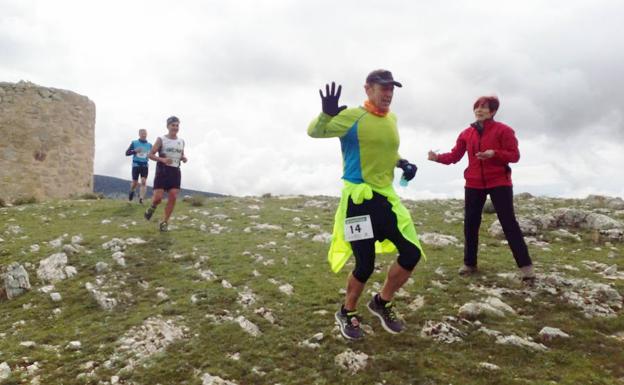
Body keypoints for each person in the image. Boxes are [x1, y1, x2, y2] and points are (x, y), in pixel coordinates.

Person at [307, 70, 425, 340]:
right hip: (358, 202)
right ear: (368, 88)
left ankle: (382, 302)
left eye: (392, 89)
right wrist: (326, 114)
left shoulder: (391, 119)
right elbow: (315, 131)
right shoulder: (351, 117)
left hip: (385, 199)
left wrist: (402, 162)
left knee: (411, 253)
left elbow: (387, 150)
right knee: (365, 264)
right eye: (383, 88)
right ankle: (346, 312)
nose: (388, 93)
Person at [427, 96, 535, 282]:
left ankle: (526, 268)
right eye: (477, 107)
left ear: (492, 111)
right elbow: (454, 156)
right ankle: (470, 264)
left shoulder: (504, 131)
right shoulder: (466, 133)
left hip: (499, 182)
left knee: (509, 224)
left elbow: (515, 156)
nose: (479, 110)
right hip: (473, 183)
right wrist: (437, 158)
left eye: (484, 108)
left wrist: (494, 154)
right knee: (470, 224)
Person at [144, 116, 187, 231]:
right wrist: (162, 160)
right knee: (158, 198)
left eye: (177, 125)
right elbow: (150, 155)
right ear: (168, 126)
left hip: (175, 172)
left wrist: (183, 158)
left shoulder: (181, 141)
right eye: (173, 125)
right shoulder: (161, 139)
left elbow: (180, 154)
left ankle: (165, 222)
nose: (175, 128)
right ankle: (152, 207)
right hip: (162, 171)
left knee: (173, 196)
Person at [125, 129, 152, 204]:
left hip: (145, 165)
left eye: (145, 133)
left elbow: (152, 154)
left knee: (143, 181)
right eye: (142, 133)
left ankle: (141, 199)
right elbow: (126, 153)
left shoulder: (149, 145)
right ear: (139, 134)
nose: (144, 135)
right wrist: (134, 151)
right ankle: (131, 192)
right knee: (135, 183)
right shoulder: (134, 143)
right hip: (136, 165)